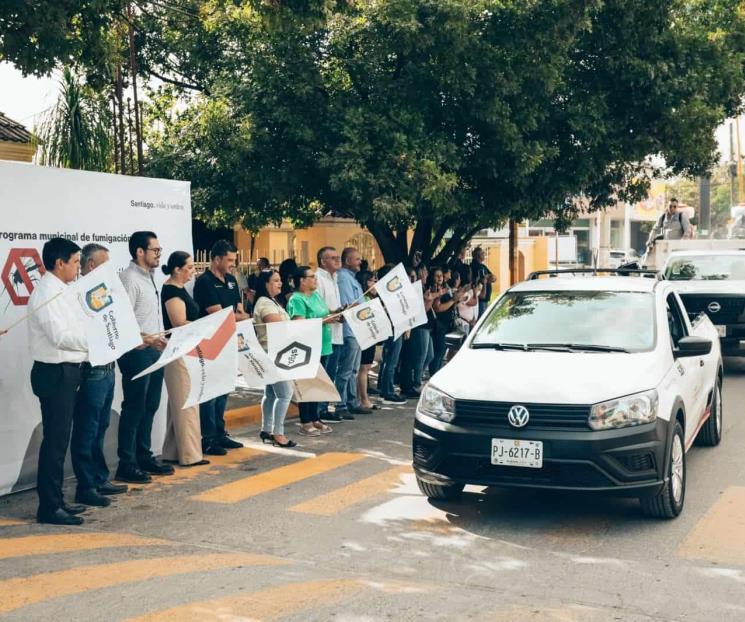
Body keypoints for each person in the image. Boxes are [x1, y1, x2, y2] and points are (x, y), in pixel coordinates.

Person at [28, 238, 89, 525]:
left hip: (67, 369)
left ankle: (57, 500)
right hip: (53, 373)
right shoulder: (45, 293)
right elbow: (60, 336)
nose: (78, 267)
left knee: (60, 439)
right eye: (76, 262)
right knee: (54, 441)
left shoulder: (62, 290)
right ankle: (49, 508)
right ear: (59, 262)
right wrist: (94, 342)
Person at [70, 244, 127, 509]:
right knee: (87, 429)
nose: (110, 269)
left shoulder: (103, 291)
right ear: (91, 265)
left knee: (100, 427)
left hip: (107, 368)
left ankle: (99, 478)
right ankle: (86, 486)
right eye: (105, 263)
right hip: (92, 370)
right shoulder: (79, 294)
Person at [116, 231, 172, 484]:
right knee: (134, 408)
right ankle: (126, 464)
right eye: (155, 250)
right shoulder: (129, 279)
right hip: (136, 351)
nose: (159, 254)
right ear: (140, 252)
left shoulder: (149, 277)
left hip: (154, 350)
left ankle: (143, 456)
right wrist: (148, 339)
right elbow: (122, 323)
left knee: (150, 406)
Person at [193, 240, 250, 456]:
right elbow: (218, 314)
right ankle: (207, 438)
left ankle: (220, 433)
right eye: (229, 260)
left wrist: (237, 316)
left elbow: (239, 311)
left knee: (224, 388)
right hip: (210, 343)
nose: (232, 264)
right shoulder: (204, 282)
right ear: (216, 259)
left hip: (229, 341)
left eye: (234, 260)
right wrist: (238, 316)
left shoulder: (231, 281)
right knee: (210, 392)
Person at [161, 251, 208, 467]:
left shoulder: (179, 289)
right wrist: (207, 328)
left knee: (180, 403)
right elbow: (179, 322)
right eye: (189, 267)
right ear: (177, 269)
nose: (193, 271)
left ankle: (172, 452)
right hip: (177, 350)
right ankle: (190, 455)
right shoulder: (171, 291)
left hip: (185, 349)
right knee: (187, 403)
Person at [286, 266, 336, 436]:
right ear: (302, 280)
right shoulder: (297, 299)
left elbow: (325, 312)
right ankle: (305, 420)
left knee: (315, 383)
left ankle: (315, 418)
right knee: (305, 384)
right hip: (306, 346)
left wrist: (337, 314)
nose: (315, 279)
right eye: (311, 277)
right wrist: (326, 319)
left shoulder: (315, 295)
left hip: (323, 344)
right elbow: (301, 323)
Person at [253, 270, 297, 447]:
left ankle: (266, 429)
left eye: (280, 280)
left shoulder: (272, 302)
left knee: (271, 393)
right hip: (272, 352)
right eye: (276, 280)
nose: (280, 283)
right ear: (266, 284)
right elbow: (277, 325)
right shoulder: (265, 303)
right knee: (285, 393)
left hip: (274, 351)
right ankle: (278, 433)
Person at [334, 247, 371, 417]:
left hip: (357, 330)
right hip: (350, 330)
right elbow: (350, 304)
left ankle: (352, 401)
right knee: (346, 370)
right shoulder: (343, 277)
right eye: (357, 259)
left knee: (354, 370)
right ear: (348, 261)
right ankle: (341, 404)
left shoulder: (351, 278)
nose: (360, 262)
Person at [315, 246, 344, 422]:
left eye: (338, 257)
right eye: (332, 258)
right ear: (323, 261)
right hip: (325, 334)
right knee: (324, 373)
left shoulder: (334, 278)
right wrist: (333, 313)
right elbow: (318, 307)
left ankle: (324, 406)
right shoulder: (319, 279)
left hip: (336, 332)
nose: (337, 260)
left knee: (331, 373)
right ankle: (319, 409)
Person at [376, 264, 407, 404]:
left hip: (394, 326)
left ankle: (384, 388)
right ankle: (388, 391)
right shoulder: (387, 292)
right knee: (391, 361)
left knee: (388, 360)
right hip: (392, 327)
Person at [429, 266, 462, 375]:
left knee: (441, 353)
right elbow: (437, 308)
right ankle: (433, 376)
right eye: (437, 276)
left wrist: (455, 299)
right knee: (437, 354)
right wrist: (453, 300)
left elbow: (451, 303)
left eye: (441, 276)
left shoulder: (444, 288)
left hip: (447, 324)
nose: (440, 278)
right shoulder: (434, 289)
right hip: (439, 326)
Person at [355, 270, 380, 411]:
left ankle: (362, 397)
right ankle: (363, 399)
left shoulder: (371, 298)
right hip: (364, 336)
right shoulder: (362, 299)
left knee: (365, 368)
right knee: (363, 368)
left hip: (370, 336)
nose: (375, 284)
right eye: (372, 281)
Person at [470, 247, 496, 318]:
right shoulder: (473, 266)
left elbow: (493, 277)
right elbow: (480, 279)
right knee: (482, 318)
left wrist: (488, 277)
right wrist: (487, 278)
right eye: (483, 253)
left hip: (486, 298)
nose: (484, 255)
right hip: (480, 298)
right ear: (478, 255)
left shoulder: (483, 266)